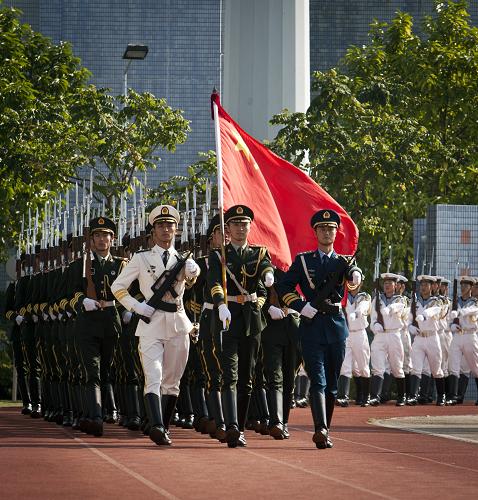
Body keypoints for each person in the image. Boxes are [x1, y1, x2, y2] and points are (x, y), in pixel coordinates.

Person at [111, 205, 200, 446]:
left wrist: (193, 272)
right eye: (160, 225)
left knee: (172, 381)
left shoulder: (183, 260)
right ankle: (157, 426)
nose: (165, 229)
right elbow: (117, 287)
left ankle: (163, 425)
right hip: (151, 324)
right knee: (154, 376)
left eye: (169, 225)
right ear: (153, 230)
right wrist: (136, 307)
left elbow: (191, 281)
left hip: (179, 324)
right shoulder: (141, 258)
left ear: (176, 229)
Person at [277, 209, 361, 449]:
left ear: (336, 232)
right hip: (311, 326)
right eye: (322, 228)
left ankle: (327, 428)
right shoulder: (304, 261)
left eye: (331, 228)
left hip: (336, 327)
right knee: (318, 380)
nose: (326, 232)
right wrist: (301, 306)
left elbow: (354, 276)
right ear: (315, 232)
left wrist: (356, 274)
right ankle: (320, 429)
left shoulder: (343, 262)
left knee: (332, 384)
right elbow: (284, 287)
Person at [207, 204, 273, 448]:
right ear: (229, 228)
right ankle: (232, 426)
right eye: (235, 224)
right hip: (227, 317)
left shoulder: (259, 253)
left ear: (249, 226)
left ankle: (241, 426)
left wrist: (262, 292)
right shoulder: (219, 255)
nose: (240, 228)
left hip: (252, 319)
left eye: (244, 224)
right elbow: (214, 283)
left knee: (247, 377)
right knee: (230, 374)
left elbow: (265, 279)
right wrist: (220, 303)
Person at [68, 216, 127, 436]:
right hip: (87, 324)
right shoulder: (80, 264)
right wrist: (83, 301)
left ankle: (99, 412)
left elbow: (130, 291)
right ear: (91, 240)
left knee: (106, 370)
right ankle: (94, 416)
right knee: (91, 371)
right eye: (98, 235)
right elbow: (71, 292)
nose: (102, 239)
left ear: (112, 239)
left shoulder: (121, 264)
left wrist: (125, 309)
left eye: (106, 235)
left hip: (111, 322)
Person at [369, 273, 407, 406]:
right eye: (385, 283)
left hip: (394, 334)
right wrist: (375, 325)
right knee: (377, 366)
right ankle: (375, 396)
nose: (386, 285)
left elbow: (399, 309)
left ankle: (402, 396)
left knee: (397, 367)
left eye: (389, 283)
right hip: (380, 336)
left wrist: (388, 309)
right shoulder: (376, 300)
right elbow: (372, 318)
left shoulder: (400, 300)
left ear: (395, 285)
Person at [407, 275, 446, 406]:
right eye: (421, 285)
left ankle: (442, 396)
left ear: (432, 287)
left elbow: (436, 310)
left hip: (432, 338)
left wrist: (425, 315)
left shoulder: (436, 301)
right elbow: (409, 318)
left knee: (436, 370)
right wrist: (411, 327)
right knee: (416, 368)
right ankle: (412, 396)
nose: (423, 287)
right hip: (419, 338)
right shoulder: (415, 302)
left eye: (426, 285)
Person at [336, 280, 371, 407]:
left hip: (359, 333)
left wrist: (356, 313)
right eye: (349, 281)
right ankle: (343, 396)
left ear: (360, 283)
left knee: (362, 366)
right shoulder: (342, 296)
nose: (351, 283)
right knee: (344, 365)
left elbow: (364, 306)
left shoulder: (364, 296)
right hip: (346, 333)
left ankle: (365, 396)